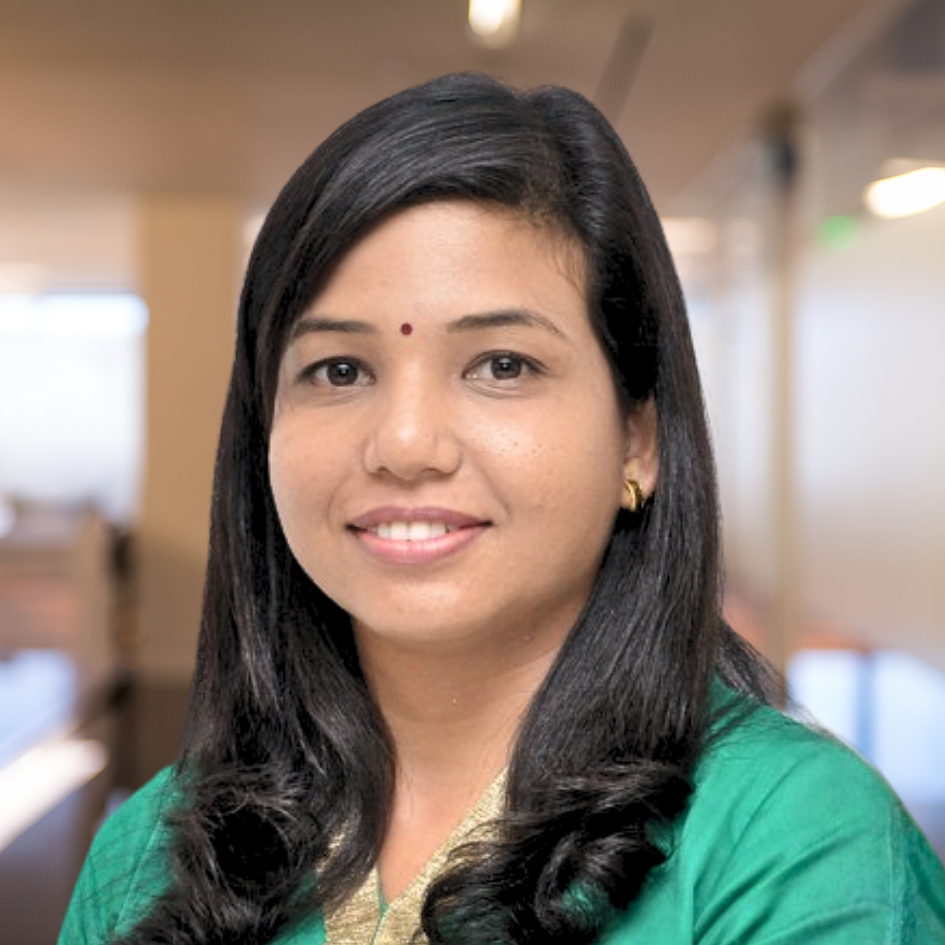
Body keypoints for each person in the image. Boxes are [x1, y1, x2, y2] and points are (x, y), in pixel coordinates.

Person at [59, 73, 945, 945]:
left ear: (638, 439)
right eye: (339, 370)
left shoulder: (793, 839)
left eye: (502, 365)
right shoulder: (148, 856)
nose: (405, 443)